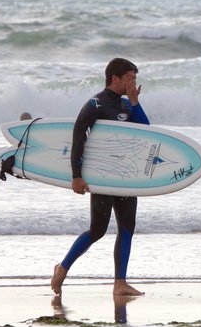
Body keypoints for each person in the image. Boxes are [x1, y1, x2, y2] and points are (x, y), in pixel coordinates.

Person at [51, 58, 150, 297]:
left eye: (135, 78)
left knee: (127, 228)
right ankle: (62, 268)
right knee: (97, 230)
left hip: (126, 177)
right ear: (114, 77)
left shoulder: (128, 105)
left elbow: (147, 132)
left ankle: (120, 283)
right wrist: (77, 176)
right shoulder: (97, 103)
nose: (133, 82)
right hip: (103, 178)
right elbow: (78, 136)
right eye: (129, 77)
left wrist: (135, 101)